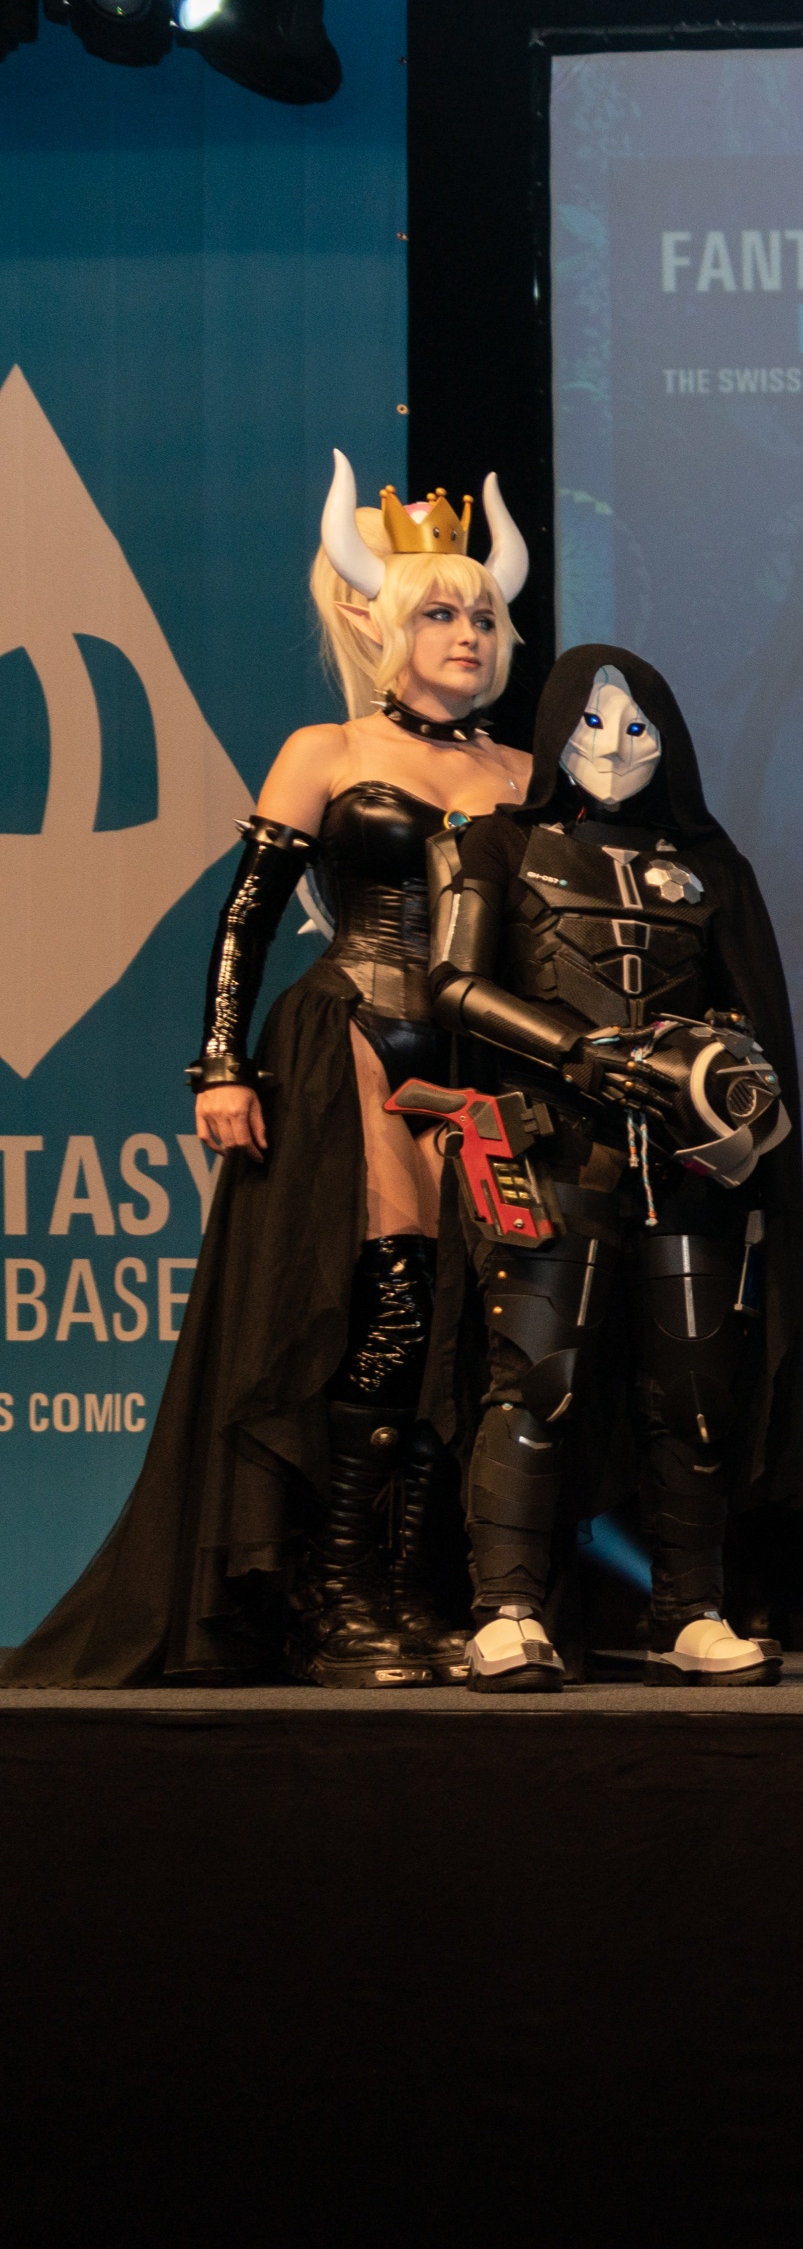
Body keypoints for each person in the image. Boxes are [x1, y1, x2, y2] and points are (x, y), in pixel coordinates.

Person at [6, 458, 528, 1689]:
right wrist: (219, 1067)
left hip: (486, 1060)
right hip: (353, 1034)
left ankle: (415, 1592)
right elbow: (247, 914)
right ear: (378, 621)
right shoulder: (325, 750)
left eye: (483, 613)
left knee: (463, 1326)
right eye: (440, 611)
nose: (467, 633)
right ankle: (340, 1603)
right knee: (387, 1308)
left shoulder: (522, 775)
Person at [422, 646, 803, 1691]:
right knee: (533, 1377)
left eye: (638, 726)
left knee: (696, 1390)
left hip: (687, 1166)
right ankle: (506, 1610)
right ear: (555, 731)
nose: (614, 743)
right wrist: (574, 1052)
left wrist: (726, 1076)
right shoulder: (495, 845)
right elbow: (451, 983)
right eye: (593, 723)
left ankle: (690, 1610)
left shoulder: (714, 867)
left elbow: (752, 1016)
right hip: (552, 1146)